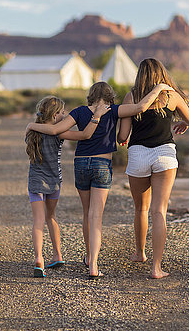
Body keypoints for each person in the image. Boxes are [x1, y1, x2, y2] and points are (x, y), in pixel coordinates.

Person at [27, 81, 173, 278]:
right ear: (110, 95)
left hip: (80, 165)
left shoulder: (78, 112)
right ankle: (94, 265)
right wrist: (158, 89)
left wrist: (32, 125)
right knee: (97, 216)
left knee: (87, 213)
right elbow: (140, 107)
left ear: (91, 95)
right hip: (102, 165)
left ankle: (88, 257)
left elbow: (55, 130)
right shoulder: (113, 110)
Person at [117, 58, 189, 279]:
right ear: (162, 74)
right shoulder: (171, 95)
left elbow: (123, 136)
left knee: (141, 209)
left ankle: (140, 253)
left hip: (138, 155)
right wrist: (183, 123)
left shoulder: (132, 97)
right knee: (159, 211)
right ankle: (157, 268)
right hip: (165, 156)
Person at [25, 96, 109, 278]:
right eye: (63, 113)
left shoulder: (32, 132)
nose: (65, 115)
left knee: (38, 221)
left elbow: (42, 129)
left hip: (35, 182)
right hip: (54, 181)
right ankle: (57, 254)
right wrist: (97, 117)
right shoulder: (59, 133)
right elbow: (85, 134)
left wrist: (32, 124)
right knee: (51, 217)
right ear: (55, 116)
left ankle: (39, 259)